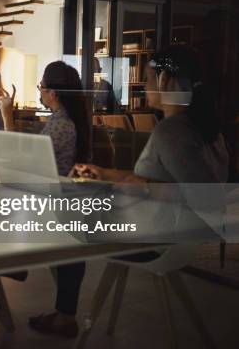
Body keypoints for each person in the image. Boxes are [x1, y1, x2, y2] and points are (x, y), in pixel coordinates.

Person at [34, 46, 229, 338]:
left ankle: (59, 310)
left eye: (149, 78)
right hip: (176, 238)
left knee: (61, 221)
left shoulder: (172, 131)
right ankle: (62, 310)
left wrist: (145, 188)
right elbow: (152, 180)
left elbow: (209, 199)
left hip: (154, 239)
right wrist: (104, 174)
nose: (144, 85)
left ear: (164, 80)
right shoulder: (204, 128)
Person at [27, 61, 90, 338]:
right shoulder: (67, 120)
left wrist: (5, 115)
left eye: (41, 86)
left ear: (52, 93)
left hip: (59, 207)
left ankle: (5, 271)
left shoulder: (62, 125)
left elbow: (27, 164)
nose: (40, 91)